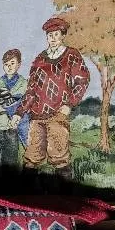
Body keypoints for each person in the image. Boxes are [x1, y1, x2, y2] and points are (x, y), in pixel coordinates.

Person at [11, 16, 89, 180]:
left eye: (56, 34)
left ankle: (64, 191)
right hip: (36, 116)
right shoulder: (39, 59)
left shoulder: (71, 55)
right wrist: (19, 112)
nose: (52, 38)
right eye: (49, 35)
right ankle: (25, 191)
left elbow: (82, 80)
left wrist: (69, 104)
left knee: (59, 156)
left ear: (63, 35)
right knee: (32, 156)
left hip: (58, 114)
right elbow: (31, 90)